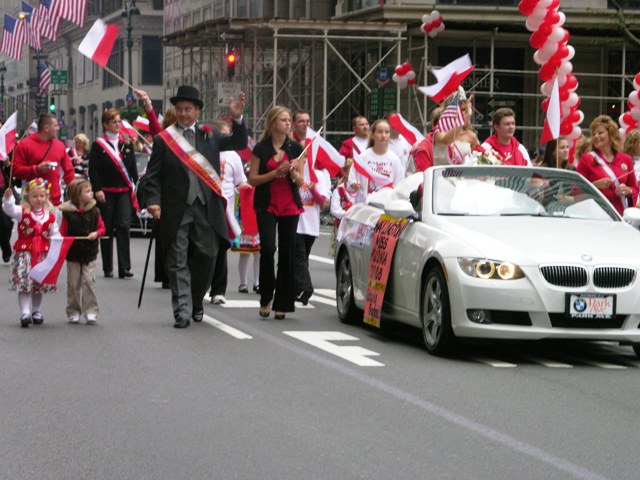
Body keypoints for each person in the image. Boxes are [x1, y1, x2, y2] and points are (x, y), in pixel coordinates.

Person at [144, 85, 248, 329]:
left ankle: (196, 300)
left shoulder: (210, 134)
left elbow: (239, 142)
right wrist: (153, 201)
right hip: (176, 209)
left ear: (197, 111)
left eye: (188, 109)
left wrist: (237, 118)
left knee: (208, 256)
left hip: (206, 207)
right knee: (177, 259)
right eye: (179, 109)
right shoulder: (164, 139)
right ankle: (182, 311)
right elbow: (152, 176)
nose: (183, 113)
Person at [248, 106, 304, 320]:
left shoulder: (296, 147)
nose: (288, 123)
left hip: (289, 203)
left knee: (287, 252)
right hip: (267, 203)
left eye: (289, 120)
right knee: (268, 248)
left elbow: (301, 182)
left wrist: (294, 172)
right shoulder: (260, 148)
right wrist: (274, 173)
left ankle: (283, 302)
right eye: (283, 120)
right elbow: (253, 179)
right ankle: (266, 297)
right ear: (273, 123)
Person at [89, 108, 139, 279]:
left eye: (119, 121)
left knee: (124, 226)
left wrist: (137, 185)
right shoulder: (98, 145)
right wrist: (97, 189)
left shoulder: (127, 143)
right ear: (105, 124)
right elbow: (93, 169)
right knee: (107, 228)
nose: (117, 124)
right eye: (113, 121)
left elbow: (132, 167)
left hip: (124, 191)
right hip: (106, 192)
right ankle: (108, 267)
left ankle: (124, 267)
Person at [2, 178, 59, 328]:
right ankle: (25, 312)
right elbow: (9, 210)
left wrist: (58, 242)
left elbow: (55, 234)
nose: (39, 199)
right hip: (25, 255)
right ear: (28, 197)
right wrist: (8, 198)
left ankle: (36, 310)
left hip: (41, 256)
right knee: (24, 284)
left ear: (46, 197)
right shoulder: (23, 212)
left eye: (42, 196)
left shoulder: (50, 216)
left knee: (38, 285)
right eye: (35, 196)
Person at [209, 120, 251, 305]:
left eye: (228, 135)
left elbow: (240, 181)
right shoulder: (205, 151)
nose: (226, 138)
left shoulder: (233, 156)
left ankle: (218, 290)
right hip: (205, 204)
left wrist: (247, 188)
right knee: (203, 249)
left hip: (224, 209)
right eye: (222, 135)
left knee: (221, 249)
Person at [59, 179, 106, 324]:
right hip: (73, 253)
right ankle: (73, 311)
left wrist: (96, 233)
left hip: (89, 252)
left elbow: (102, 228)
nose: (91, 193)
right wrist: (61, 240)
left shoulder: (95, 211)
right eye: (87, 191)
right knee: (73, 283)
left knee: (88, 281)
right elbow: (63, 232)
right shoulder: (67, 214)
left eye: (91, 190)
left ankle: (91, 311)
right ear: (78, 195)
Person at [576, 115, 638, 215]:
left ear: (611, 134)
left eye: (600, 133)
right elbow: (576, 189)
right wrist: (595, 185)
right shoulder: (586, 159)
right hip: (596, 214)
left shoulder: (626, 159)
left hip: (619, 215)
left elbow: (635, 188)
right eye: (593, 134)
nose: (596, 136)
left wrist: (628, 191)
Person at [12, 113, 75, 206]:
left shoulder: (59, 145)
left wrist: (75, 192)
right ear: (46, 128)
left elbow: (69, 172)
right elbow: (14, 170)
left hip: (54, 201)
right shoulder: (24, 145)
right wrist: (36, 169)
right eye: (55, 125)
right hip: (31, 203)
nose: (58, 128)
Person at [347, 118, 405, 205]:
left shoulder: (394, 159)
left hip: (386, 207)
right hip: (364, 206)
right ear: (372, 135)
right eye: (380, 132)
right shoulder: (363, 157)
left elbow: (400, 185)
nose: (383, 135)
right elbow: (351, 180)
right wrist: (353, 185)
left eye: (387, 132)